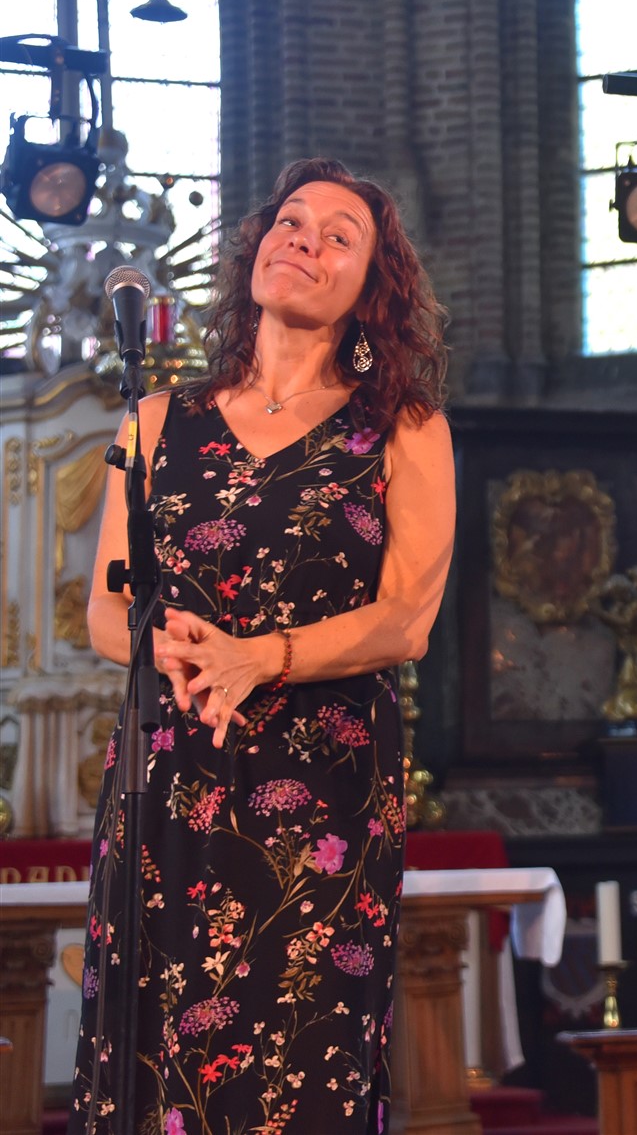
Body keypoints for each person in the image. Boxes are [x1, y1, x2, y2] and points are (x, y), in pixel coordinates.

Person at [73, 157, 455, 1135]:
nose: (304, 241)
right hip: (169, 775)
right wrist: (167, 650)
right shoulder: (155, 421)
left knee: (296, 1064)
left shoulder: (400, 427)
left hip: (320, 790)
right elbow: (106, 610)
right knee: (151, 1060)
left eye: (338, 236)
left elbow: (407, 616)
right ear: (257, 246)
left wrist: (259, 655)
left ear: (371, 288)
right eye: (291, 221)